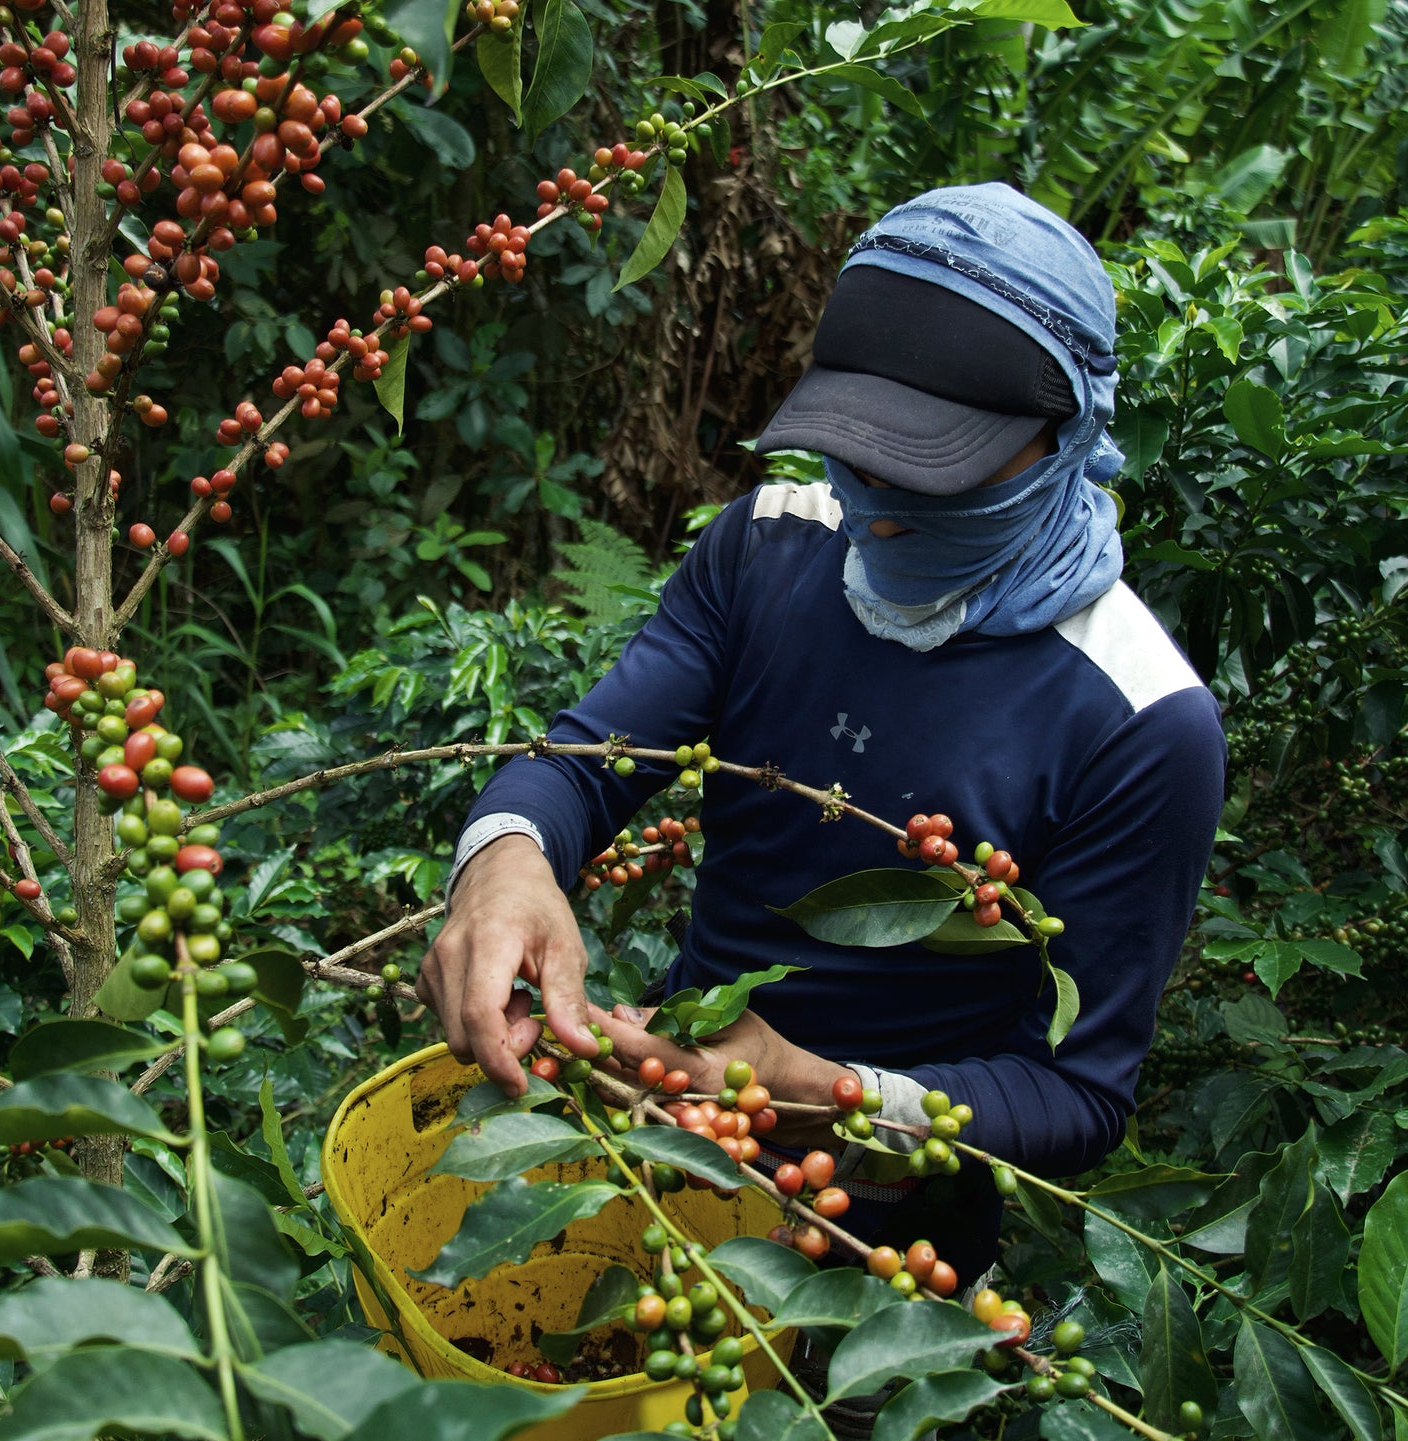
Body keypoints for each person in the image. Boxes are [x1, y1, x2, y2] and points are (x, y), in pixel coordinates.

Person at [417, 182, 1226, 1291]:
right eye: (859, 451)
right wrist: (504, 865)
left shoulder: (1139, 720)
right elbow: (587, 762)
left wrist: (809, 1085)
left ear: (1065, 434)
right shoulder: (767, 549)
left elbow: (1074, 1094)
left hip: (879, 1243)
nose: (878, 504)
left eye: (935, 466)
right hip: (666, 1147)